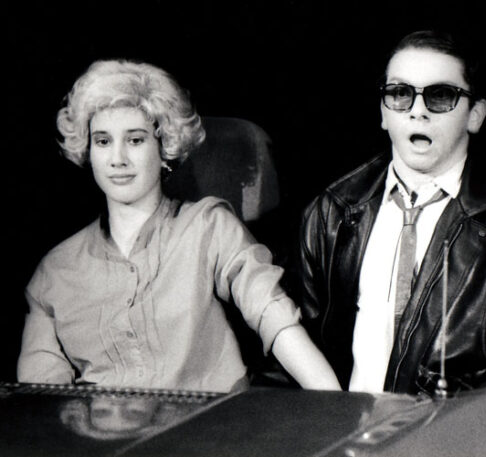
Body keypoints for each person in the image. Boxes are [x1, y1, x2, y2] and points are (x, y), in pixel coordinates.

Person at [298, 30, 486, 453]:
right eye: (400, 94)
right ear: (383, 111)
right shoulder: (332, 211)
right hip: (347, 443)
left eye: (440, 96)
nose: (417, 111)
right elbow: (296, 350)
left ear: (475, 115)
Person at [17, 59, 341, 394]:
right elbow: (38, 400)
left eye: (135, 140)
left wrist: (334, 404)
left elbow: (273, 315)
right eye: (102, 141)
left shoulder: (208, 227)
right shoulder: (55, 271)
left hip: (214, 422)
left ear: (164, 147)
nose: (117, 159)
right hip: (103, 428)